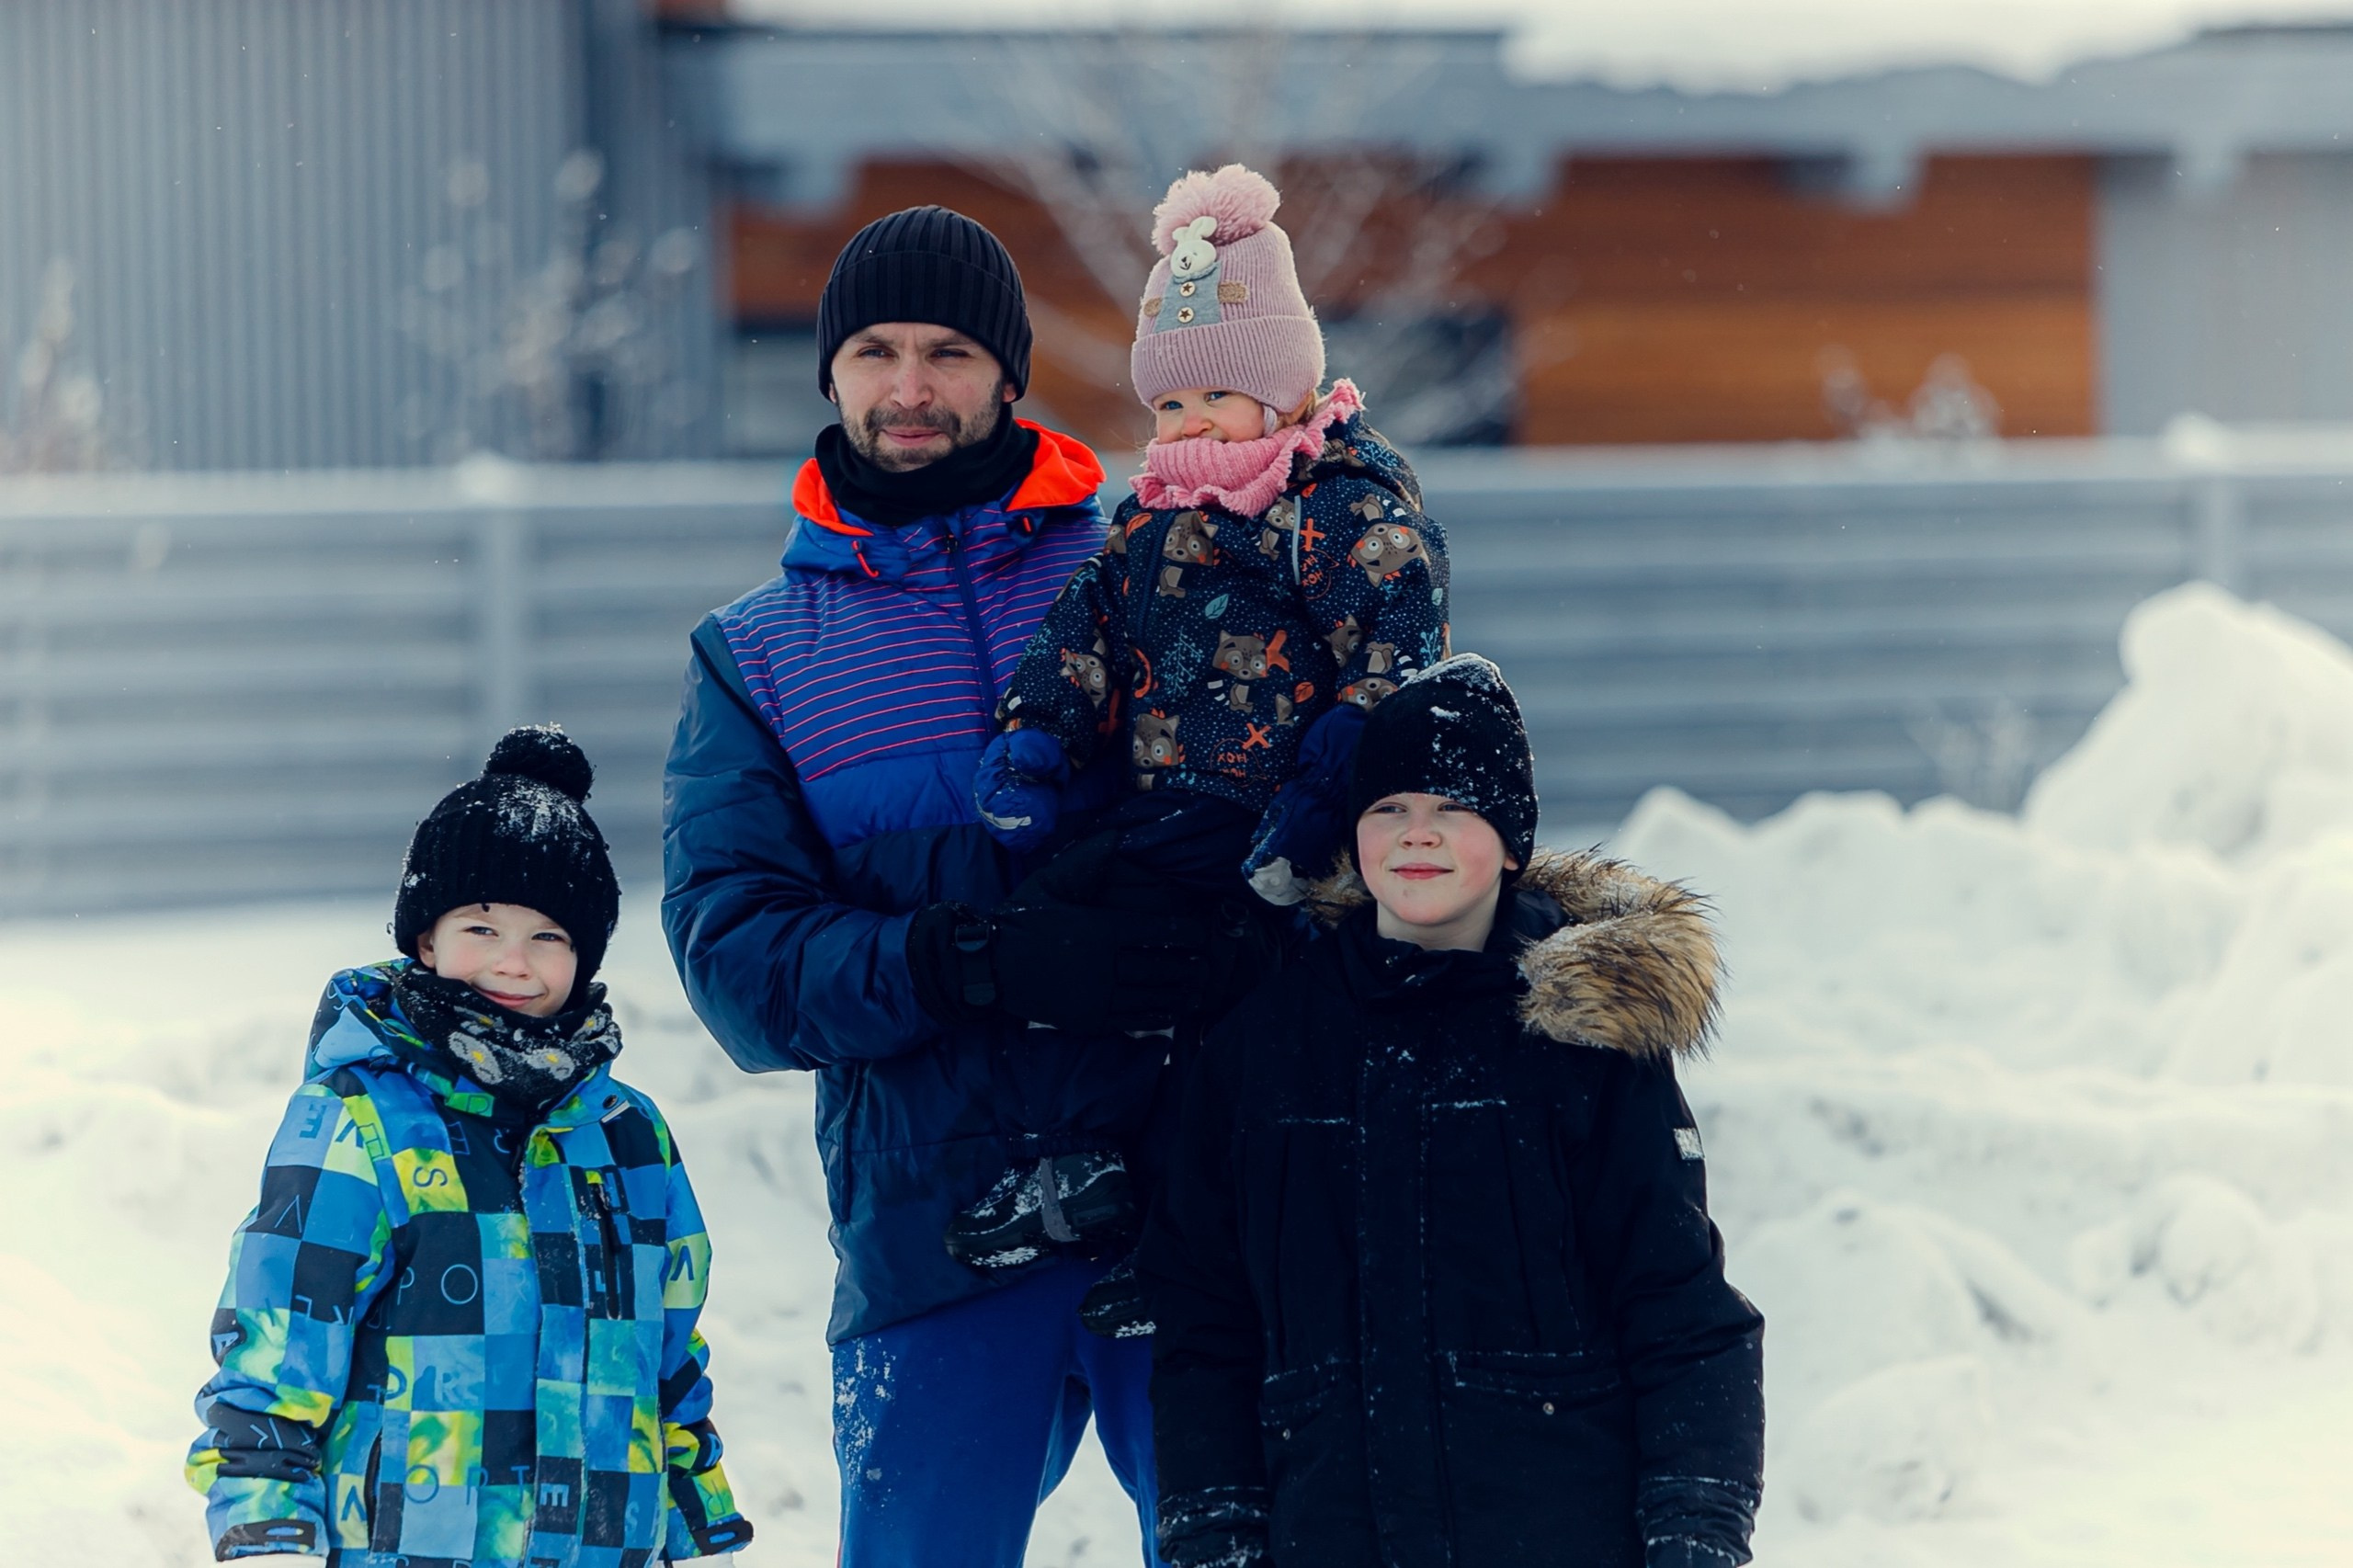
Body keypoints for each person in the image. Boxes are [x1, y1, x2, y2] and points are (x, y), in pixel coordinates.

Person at [662, 206, 1255, 1568]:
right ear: (832, 374)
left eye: (948, 351)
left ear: (1011, 373)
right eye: (874, 350)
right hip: (933, 1222)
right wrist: (961, 960)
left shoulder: (1152, 566)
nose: (910, 386)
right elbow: (734, 956)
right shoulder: (755, 657)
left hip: (1187, 1193)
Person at [1137, 654, 1768, 1568]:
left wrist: (1695, 1527)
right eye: (1387, 808)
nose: (1414, 835)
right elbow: (1204, 1312)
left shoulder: (1581, 1042)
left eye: (1452, 808)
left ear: (1511, 842)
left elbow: (1679, 1308)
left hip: (1554, 1531)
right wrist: (1212, 1521)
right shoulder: (1264, 1046)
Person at [957, 165, 1451, 1310]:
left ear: (1283, 389)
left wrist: (1335, 770)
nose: (1185, 427)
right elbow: (1083, 622)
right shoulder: (1154, 514)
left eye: (1213, 399)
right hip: (1164, 806)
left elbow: (1397, 642)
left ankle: (1183, 1237)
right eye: (1169, 406)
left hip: (1277, 822)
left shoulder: (1339, 508)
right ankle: (1088, 1167)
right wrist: (1036, 732)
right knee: (1057, 926)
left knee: (1225, 1025)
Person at [187, 726, 753, 1565]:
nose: (513, 962)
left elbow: (668, 1367)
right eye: (481, 928)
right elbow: (277, 1349)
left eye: (548, 936)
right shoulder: (358, 1119)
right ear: (425, 938)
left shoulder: (629, 1137)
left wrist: (698, 1525)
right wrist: (270, 1531)